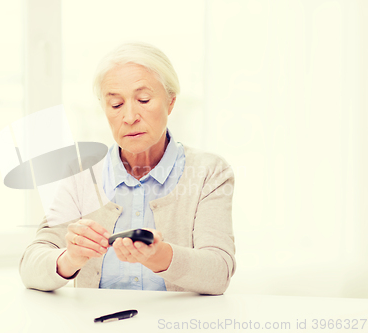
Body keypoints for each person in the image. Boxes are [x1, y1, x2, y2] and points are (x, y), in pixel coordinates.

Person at [19, 42, 236, 294]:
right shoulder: (82, 172)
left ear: (170, 102)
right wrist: (70, 258)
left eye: (143, 99)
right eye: (116, 105)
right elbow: (29, 267)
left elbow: (219, 274)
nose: (130, 116)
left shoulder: (211, 172)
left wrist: (161, 257)